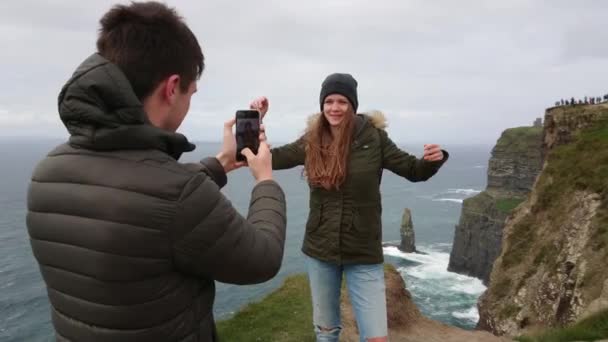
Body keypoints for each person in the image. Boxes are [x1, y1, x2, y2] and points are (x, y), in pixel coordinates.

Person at [26, 2, 286, 341]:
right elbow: (261, 258)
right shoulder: (178, 193)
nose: (189, 102)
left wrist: (221, 162)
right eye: (191, 93)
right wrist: (265, 180)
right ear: (171, 86)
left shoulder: (47, 172)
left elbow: (143, 196)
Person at [250, 73, 448, 342]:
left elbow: (413, 170)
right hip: (320, 248)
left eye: (342, 101)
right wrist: (256, 121)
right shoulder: (312, 140)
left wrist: (431, 160)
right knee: (326, 332)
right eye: (329, 101)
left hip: (363, 249)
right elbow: (268, 159)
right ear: (322, 105)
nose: (334, 107)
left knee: (376, 337)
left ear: (353, 104)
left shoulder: (375, 139)